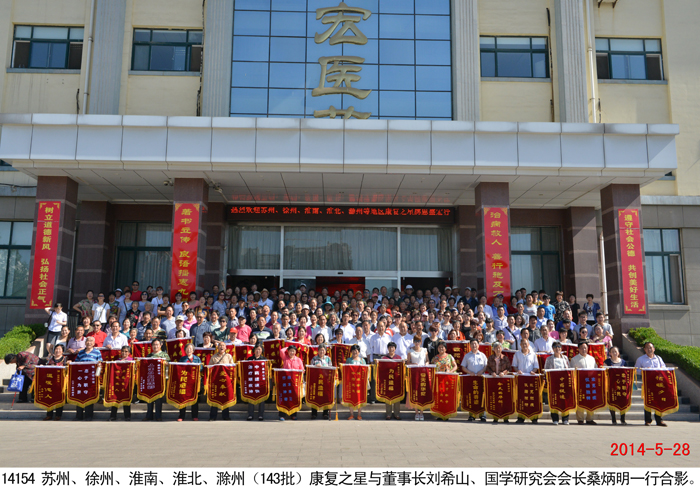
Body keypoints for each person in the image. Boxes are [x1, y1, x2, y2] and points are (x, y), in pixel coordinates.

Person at [634, 342, 668, 427]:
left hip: (658, 383)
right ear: (644, 349)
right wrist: (644, 370)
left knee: (659, 402)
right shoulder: (640, 359)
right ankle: (648, 420)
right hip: (648, 383)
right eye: (647, 348)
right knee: (648, 402)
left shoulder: (659, 358)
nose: (649, 349)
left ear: (654, 349)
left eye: (651, 347)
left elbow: (664, 368)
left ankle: (659, 420)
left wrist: (661, 369)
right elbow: (636, 370)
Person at [72, 336, 103, 421]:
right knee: (79, 396)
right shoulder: (81, 352)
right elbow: (76, 364)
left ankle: (88, 416)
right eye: (88, 341)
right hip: (81, 378)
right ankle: (79, 416)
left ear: (94, 343)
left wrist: (97, 375)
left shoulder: (97, 352)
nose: (89, 342)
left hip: (91, 378)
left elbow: (100, 364)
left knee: (90, 396)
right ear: (85, 343)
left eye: (91, 341)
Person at [544, 341, 571, 425]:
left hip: (564, 382)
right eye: (555, 347)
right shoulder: (549, 359)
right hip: (554, 383)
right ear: (553, 349)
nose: (557, 348)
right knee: (554, 400)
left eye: (559, 347)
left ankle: (565, 419)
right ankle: (555, 419)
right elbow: (545, 370)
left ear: (561, 348)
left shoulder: (565, 358)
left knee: (564, 400)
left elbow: (569, 369)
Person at [460, 339, 488, 421]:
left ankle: (482, 415)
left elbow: (486, 366)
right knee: (471, 396)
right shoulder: (467, 356)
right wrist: (469, 372)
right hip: (471, 379)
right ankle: (472, 415)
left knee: (481, 396)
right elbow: (463, 367)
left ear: (478, 345)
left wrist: (481, 371)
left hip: (481, 378)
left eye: (475, 344)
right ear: (470, 345)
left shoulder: (482, 355)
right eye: (472, 344)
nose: (474, 345)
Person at [570, 341, 597, 425]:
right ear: (578, 349)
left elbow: (595, 370)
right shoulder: (574, 359)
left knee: (591, 400)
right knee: (580, 400)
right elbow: (572, 372)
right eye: (581, 348)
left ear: (587, 348)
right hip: (580, 383)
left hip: (591, 383)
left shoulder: (592, 359)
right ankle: (580, 419)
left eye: (585, 348)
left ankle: (590, 419)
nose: (583, 349)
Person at [208, 341, 235, 421]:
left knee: (225, 397)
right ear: (217, 347)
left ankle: (225, 416)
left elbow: (232, 367)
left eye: (223, 345)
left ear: (225, 348)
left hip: (226, 381)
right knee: (215, 397)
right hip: (216, 381)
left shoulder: (228, 356)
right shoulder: (213, 357)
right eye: (220, 345)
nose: (221, 347)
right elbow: (210, 368)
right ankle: (213, 416)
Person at [145, 339, 170, 421]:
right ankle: (149, 415)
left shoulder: (164, 355)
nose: (155, 346)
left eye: (157, 344)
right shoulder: (149, 355)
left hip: (160, 379)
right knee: (149, 397)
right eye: (154, 344)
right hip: (150, 378)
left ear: (160, 345)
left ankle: (158, 416)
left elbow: (169, 364)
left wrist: (164, 362)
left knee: (158, 398)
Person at [177, 343, 201, 421]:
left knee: (194, 399)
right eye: (187, 349)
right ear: (185, 350)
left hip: (194, 381)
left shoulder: (197, 359)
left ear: (193, 350)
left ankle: (195, 416)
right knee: (182, 398)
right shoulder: (182, 359)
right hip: (184, 381)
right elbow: (179, 368)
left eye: (190, 349)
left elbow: (201, 368)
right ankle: (181, 416)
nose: (189, 350)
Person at [379, 342, 403, 420]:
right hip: (387, 380)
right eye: (390, 347)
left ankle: (397, 414)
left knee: (397, 396)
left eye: (393, 347)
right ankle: (388, 414)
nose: (391, 349)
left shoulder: (399, 358)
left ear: (395, 349)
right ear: (388, 348)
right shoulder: (384, 358)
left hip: (396, 380)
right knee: (388, 396)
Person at [43, 344, 67, 420]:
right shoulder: (50, 359)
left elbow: (67, 369)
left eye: (59, 349)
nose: (58, 350)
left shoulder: (65, 359)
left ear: (62, 351)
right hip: (50, 381)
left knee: (59, 398)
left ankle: (58, 415)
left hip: (60, 381)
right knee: (49, 398)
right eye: (56, 349)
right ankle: (49, 414)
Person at [605, 346, 627, 425]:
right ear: (610, 353)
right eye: (613, 351)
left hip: (621, 385)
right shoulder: (607, 362)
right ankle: (613, 419)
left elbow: (628, 373)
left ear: (618, 353)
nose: (614, 353)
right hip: (611, 385)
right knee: (612, 401)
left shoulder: (623, 362)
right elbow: (603, 372)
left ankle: (622, 419)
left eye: (616, 351)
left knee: (623, 401)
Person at [109, 346, 133, 421]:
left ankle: (127, 416)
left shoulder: (131, 360)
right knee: (115, 397)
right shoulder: (116, 361)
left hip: (126, 382)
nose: (124, 353)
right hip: (117, 381)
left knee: (126, 398)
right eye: (123, 351)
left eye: (126, 351)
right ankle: (113, 416)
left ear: (129, 353)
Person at [309, 343, 332, 420]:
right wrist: (315, 366)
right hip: (316, 381)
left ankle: (325, 413)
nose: (322, 352)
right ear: (318, 351)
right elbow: (310, 369)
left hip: (325, 381)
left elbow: (330, 369)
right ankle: (314, 413)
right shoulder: (314, 359)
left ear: (325, 351)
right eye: (320, 350)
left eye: (323, 350)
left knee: (326, 396)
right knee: (315, 396)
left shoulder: (328, 359)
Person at [345, 344, 367, 420]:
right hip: (351, 382)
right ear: (351, 352)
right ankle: (351, 414)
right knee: (351, 398)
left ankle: (359, 414)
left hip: (360, 382)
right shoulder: (349, 360)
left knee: (360, 398)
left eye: (356, 351)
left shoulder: (362, 360)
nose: (355, 352)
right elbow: (345, 370)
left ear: (359, 352)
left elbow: (365, 370)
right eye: (353, 350)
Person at [246, 343, 268, 421]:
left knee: (261, 398)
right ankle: (250, 415)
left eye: (259, 349)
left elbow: (267, 370)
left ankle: (260, 415)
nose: (258, 351)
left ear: (262, 350)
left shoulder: (264, 359)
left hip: (261, 382)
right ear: (254, 350)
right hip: (251, 381)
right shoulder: (249, 359)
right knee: (251, 397)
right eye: (256, 349)